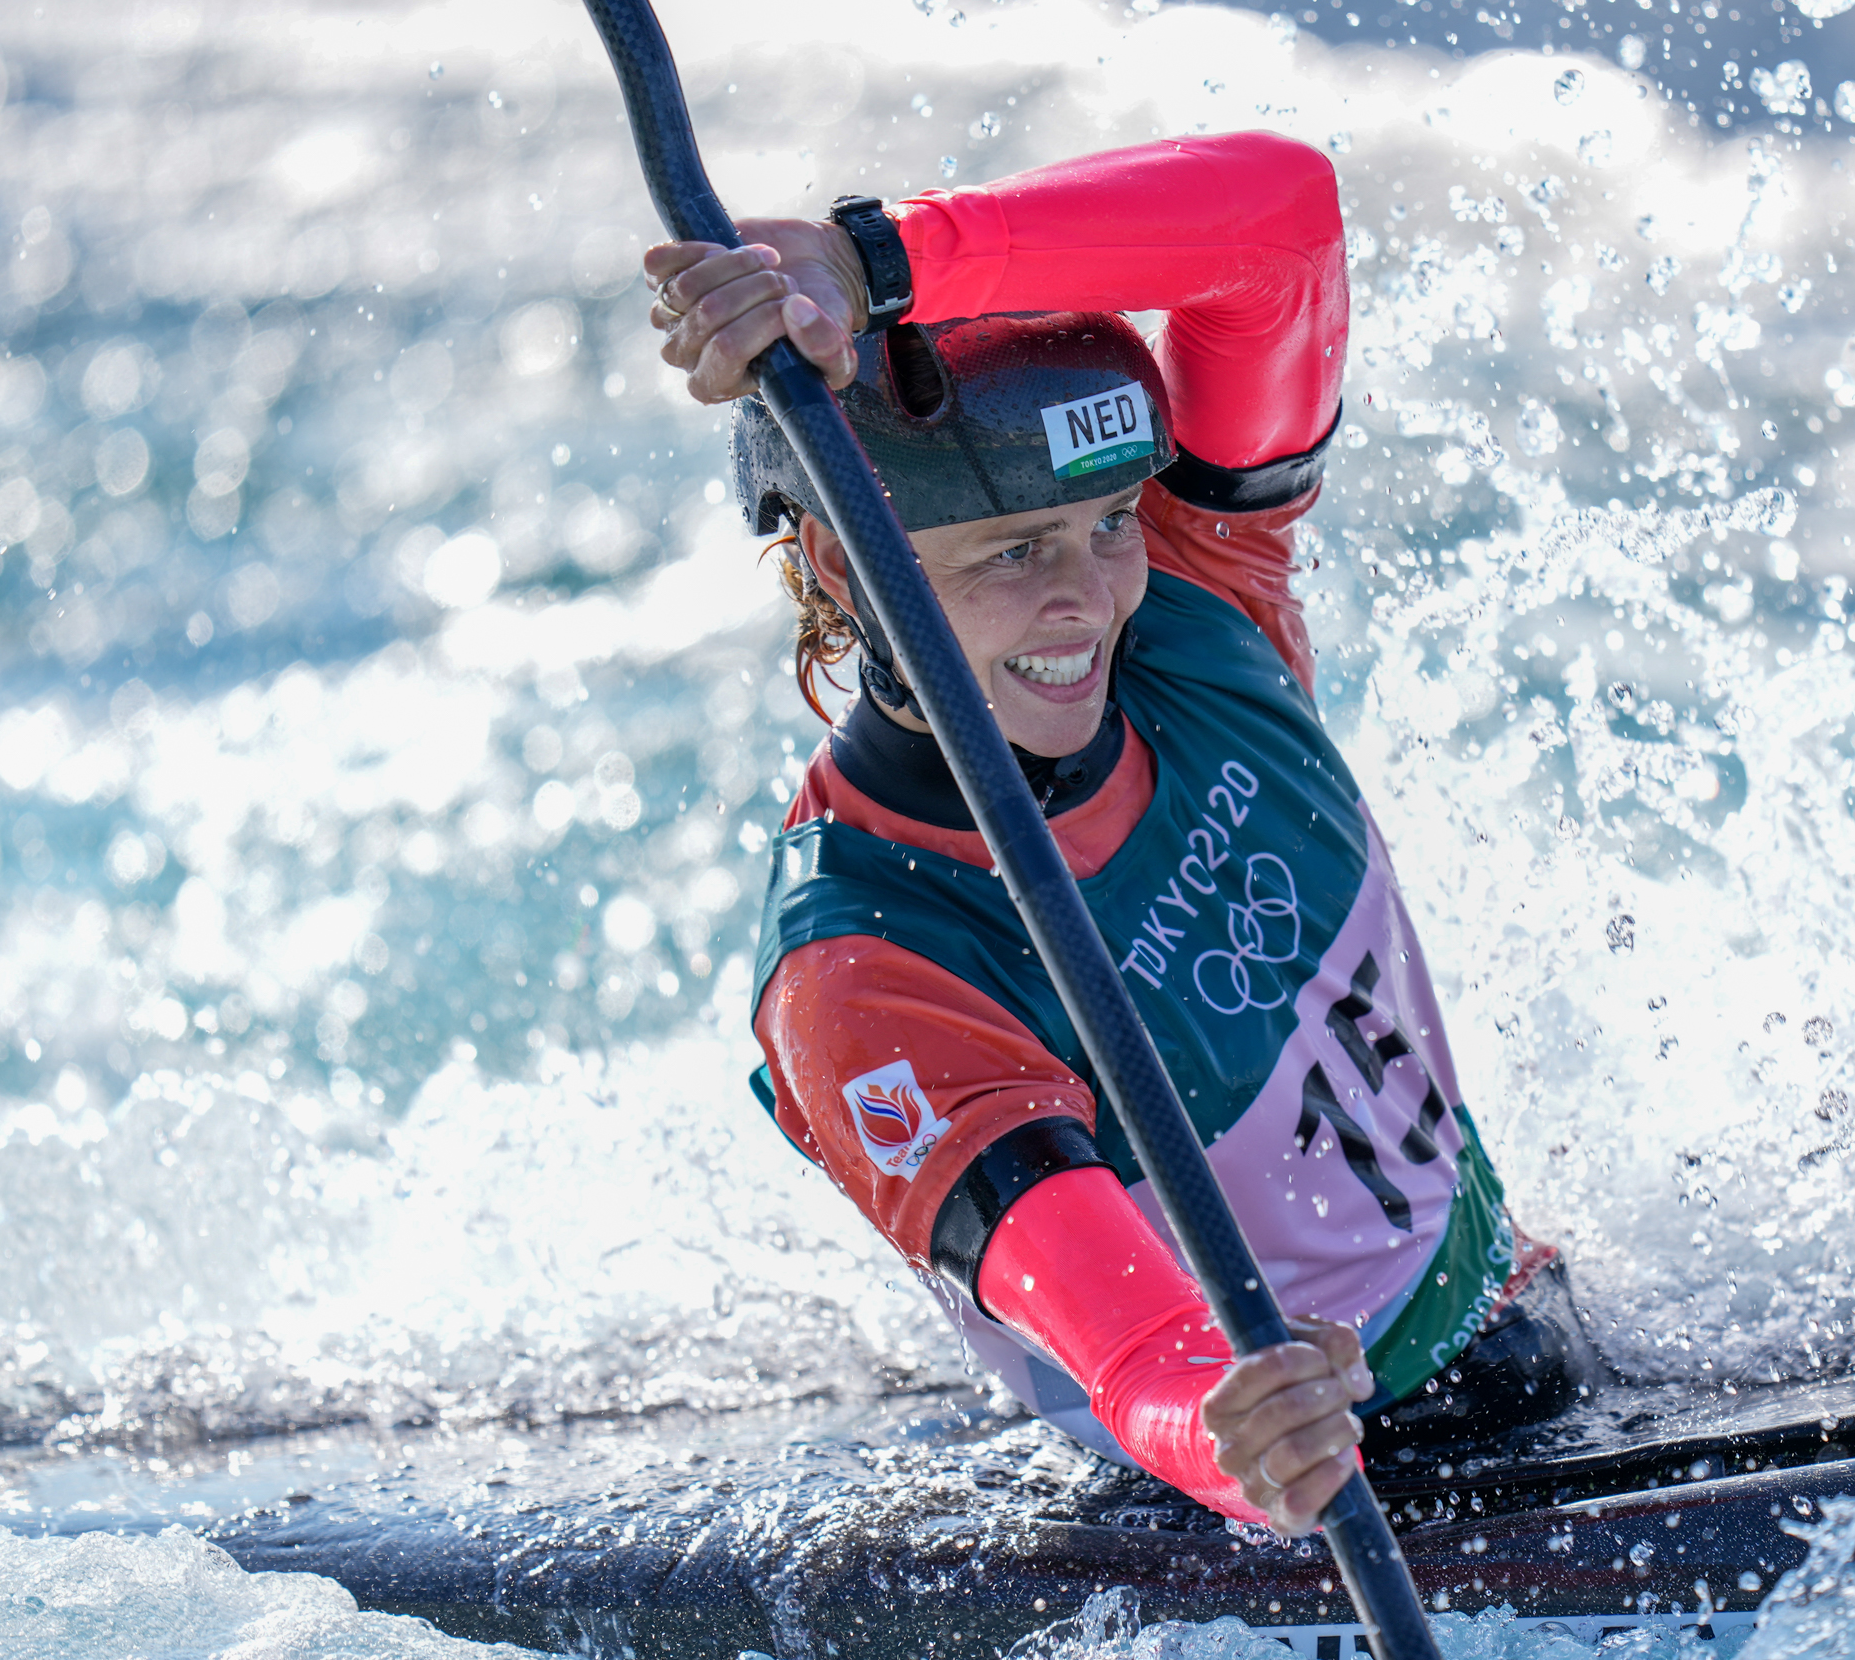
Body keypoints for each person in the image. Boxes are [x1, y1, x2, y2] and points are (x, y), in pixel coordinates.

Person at [645, 133, 1590, 1536]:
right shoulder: (866, 975)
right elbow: (1145, 1360)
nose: (1087, 599)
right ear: (844, 567)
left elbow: (1280, 222)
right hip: (1277, 1495)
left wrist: (875, 259)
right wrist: (1244, 1437)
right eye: (1011, 552)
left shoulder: (1200, 602)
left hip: (1524, 1331)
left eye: (1102, 523)